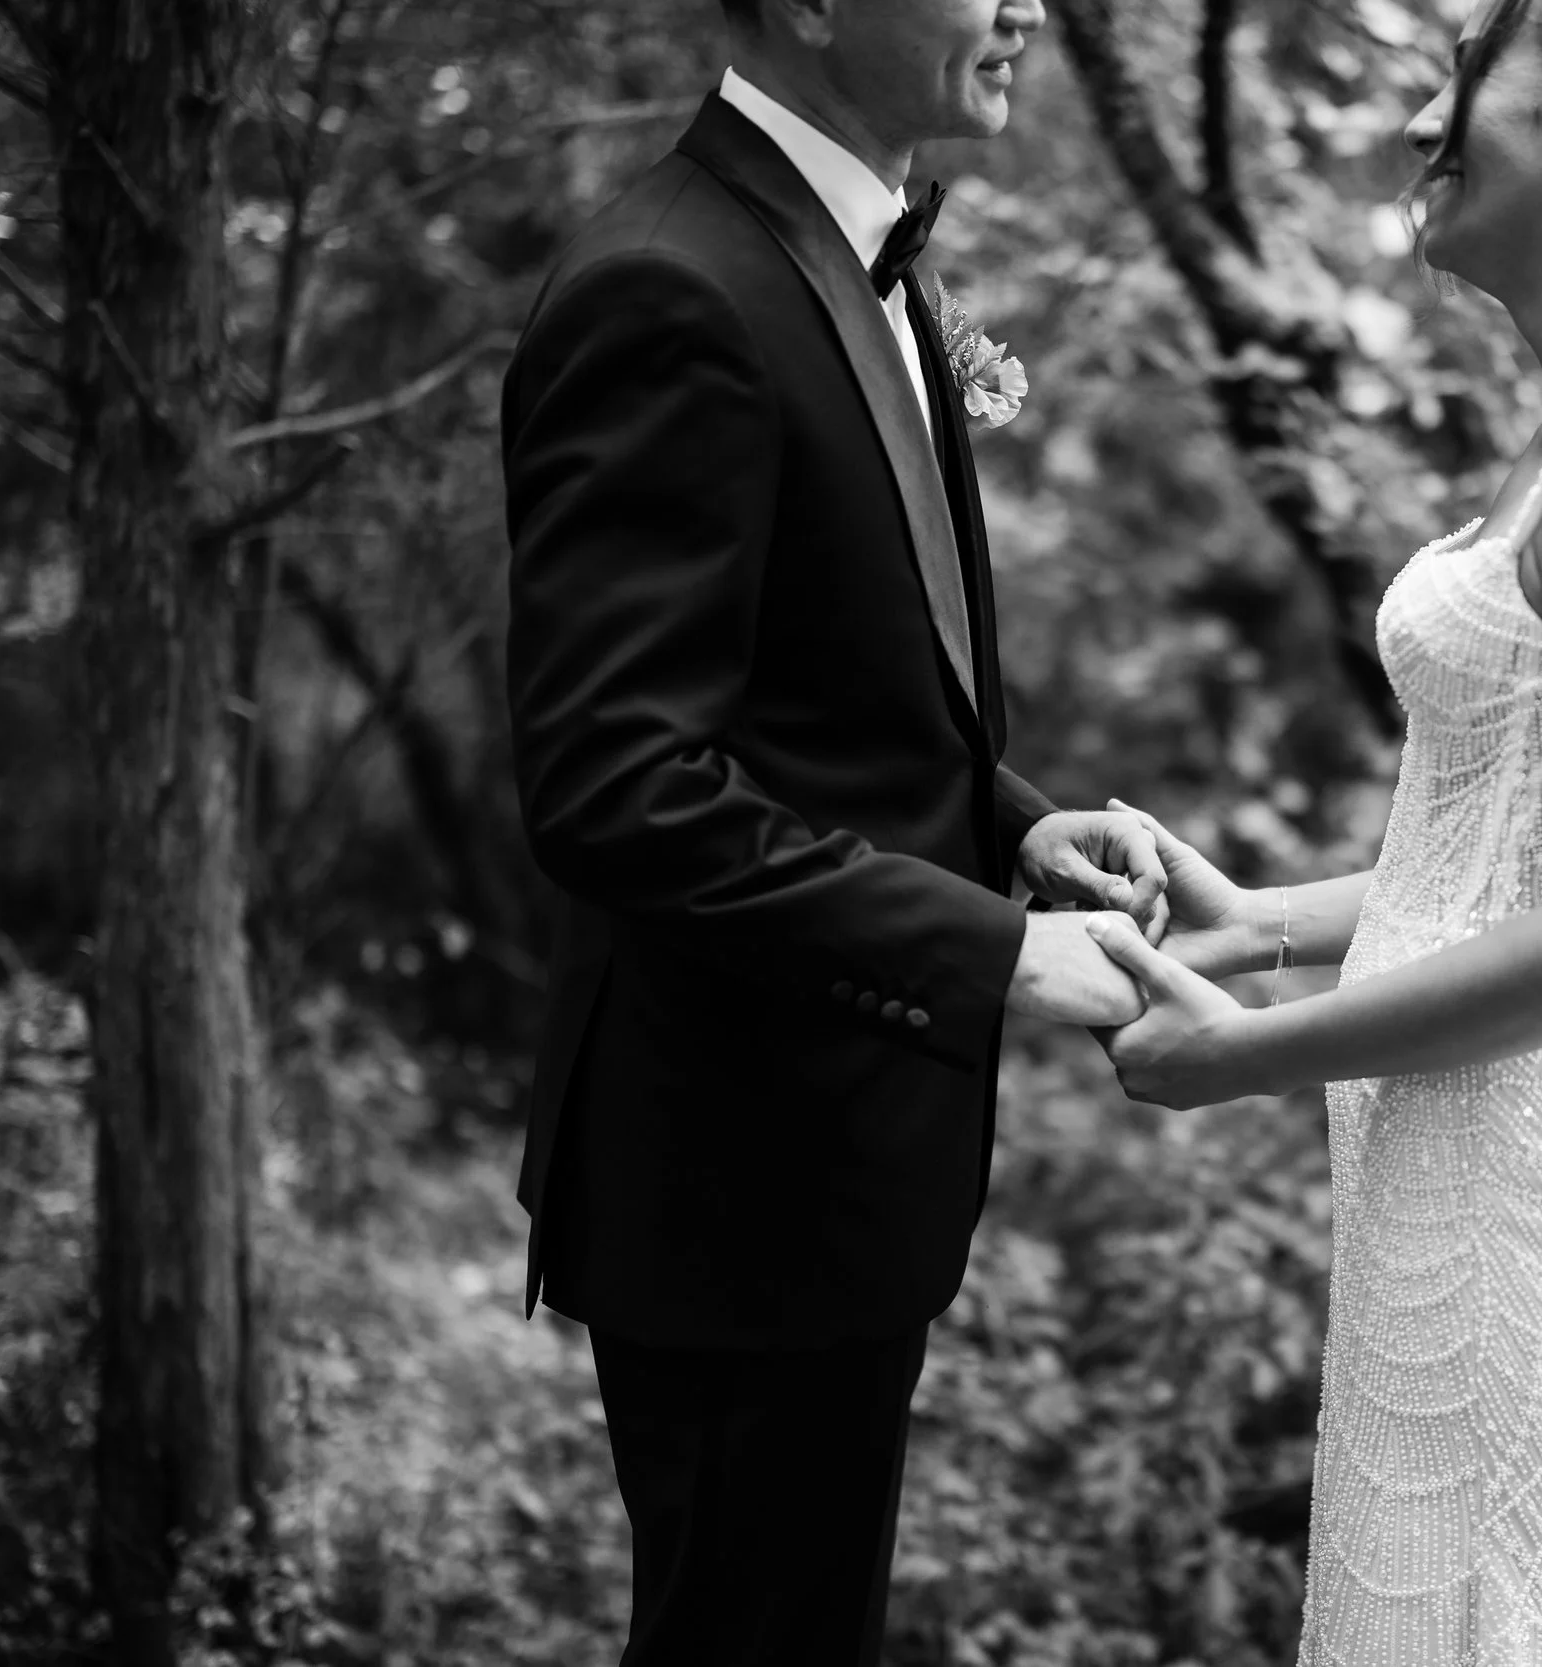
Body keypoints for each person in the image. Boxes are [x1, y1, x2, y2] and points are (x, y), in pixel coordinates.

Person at [1085, 0, 1542, 1658]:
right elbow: (1508, 848)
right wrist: (1258, 918)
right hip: (1457, 1137)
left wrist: (1250, 1051)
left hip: (1522, 1156)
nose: (1422, 123)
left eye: (1464, 79)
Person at [499, 1, 1161, 1661]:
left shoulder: (850, 244)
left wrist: (1006, 831)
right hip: (737, 1182)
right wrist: (996, 957)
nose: (1023, 5)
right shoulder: (668, 286)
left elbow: (816, 692)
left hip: (837, 1170)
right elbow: (618, 782)